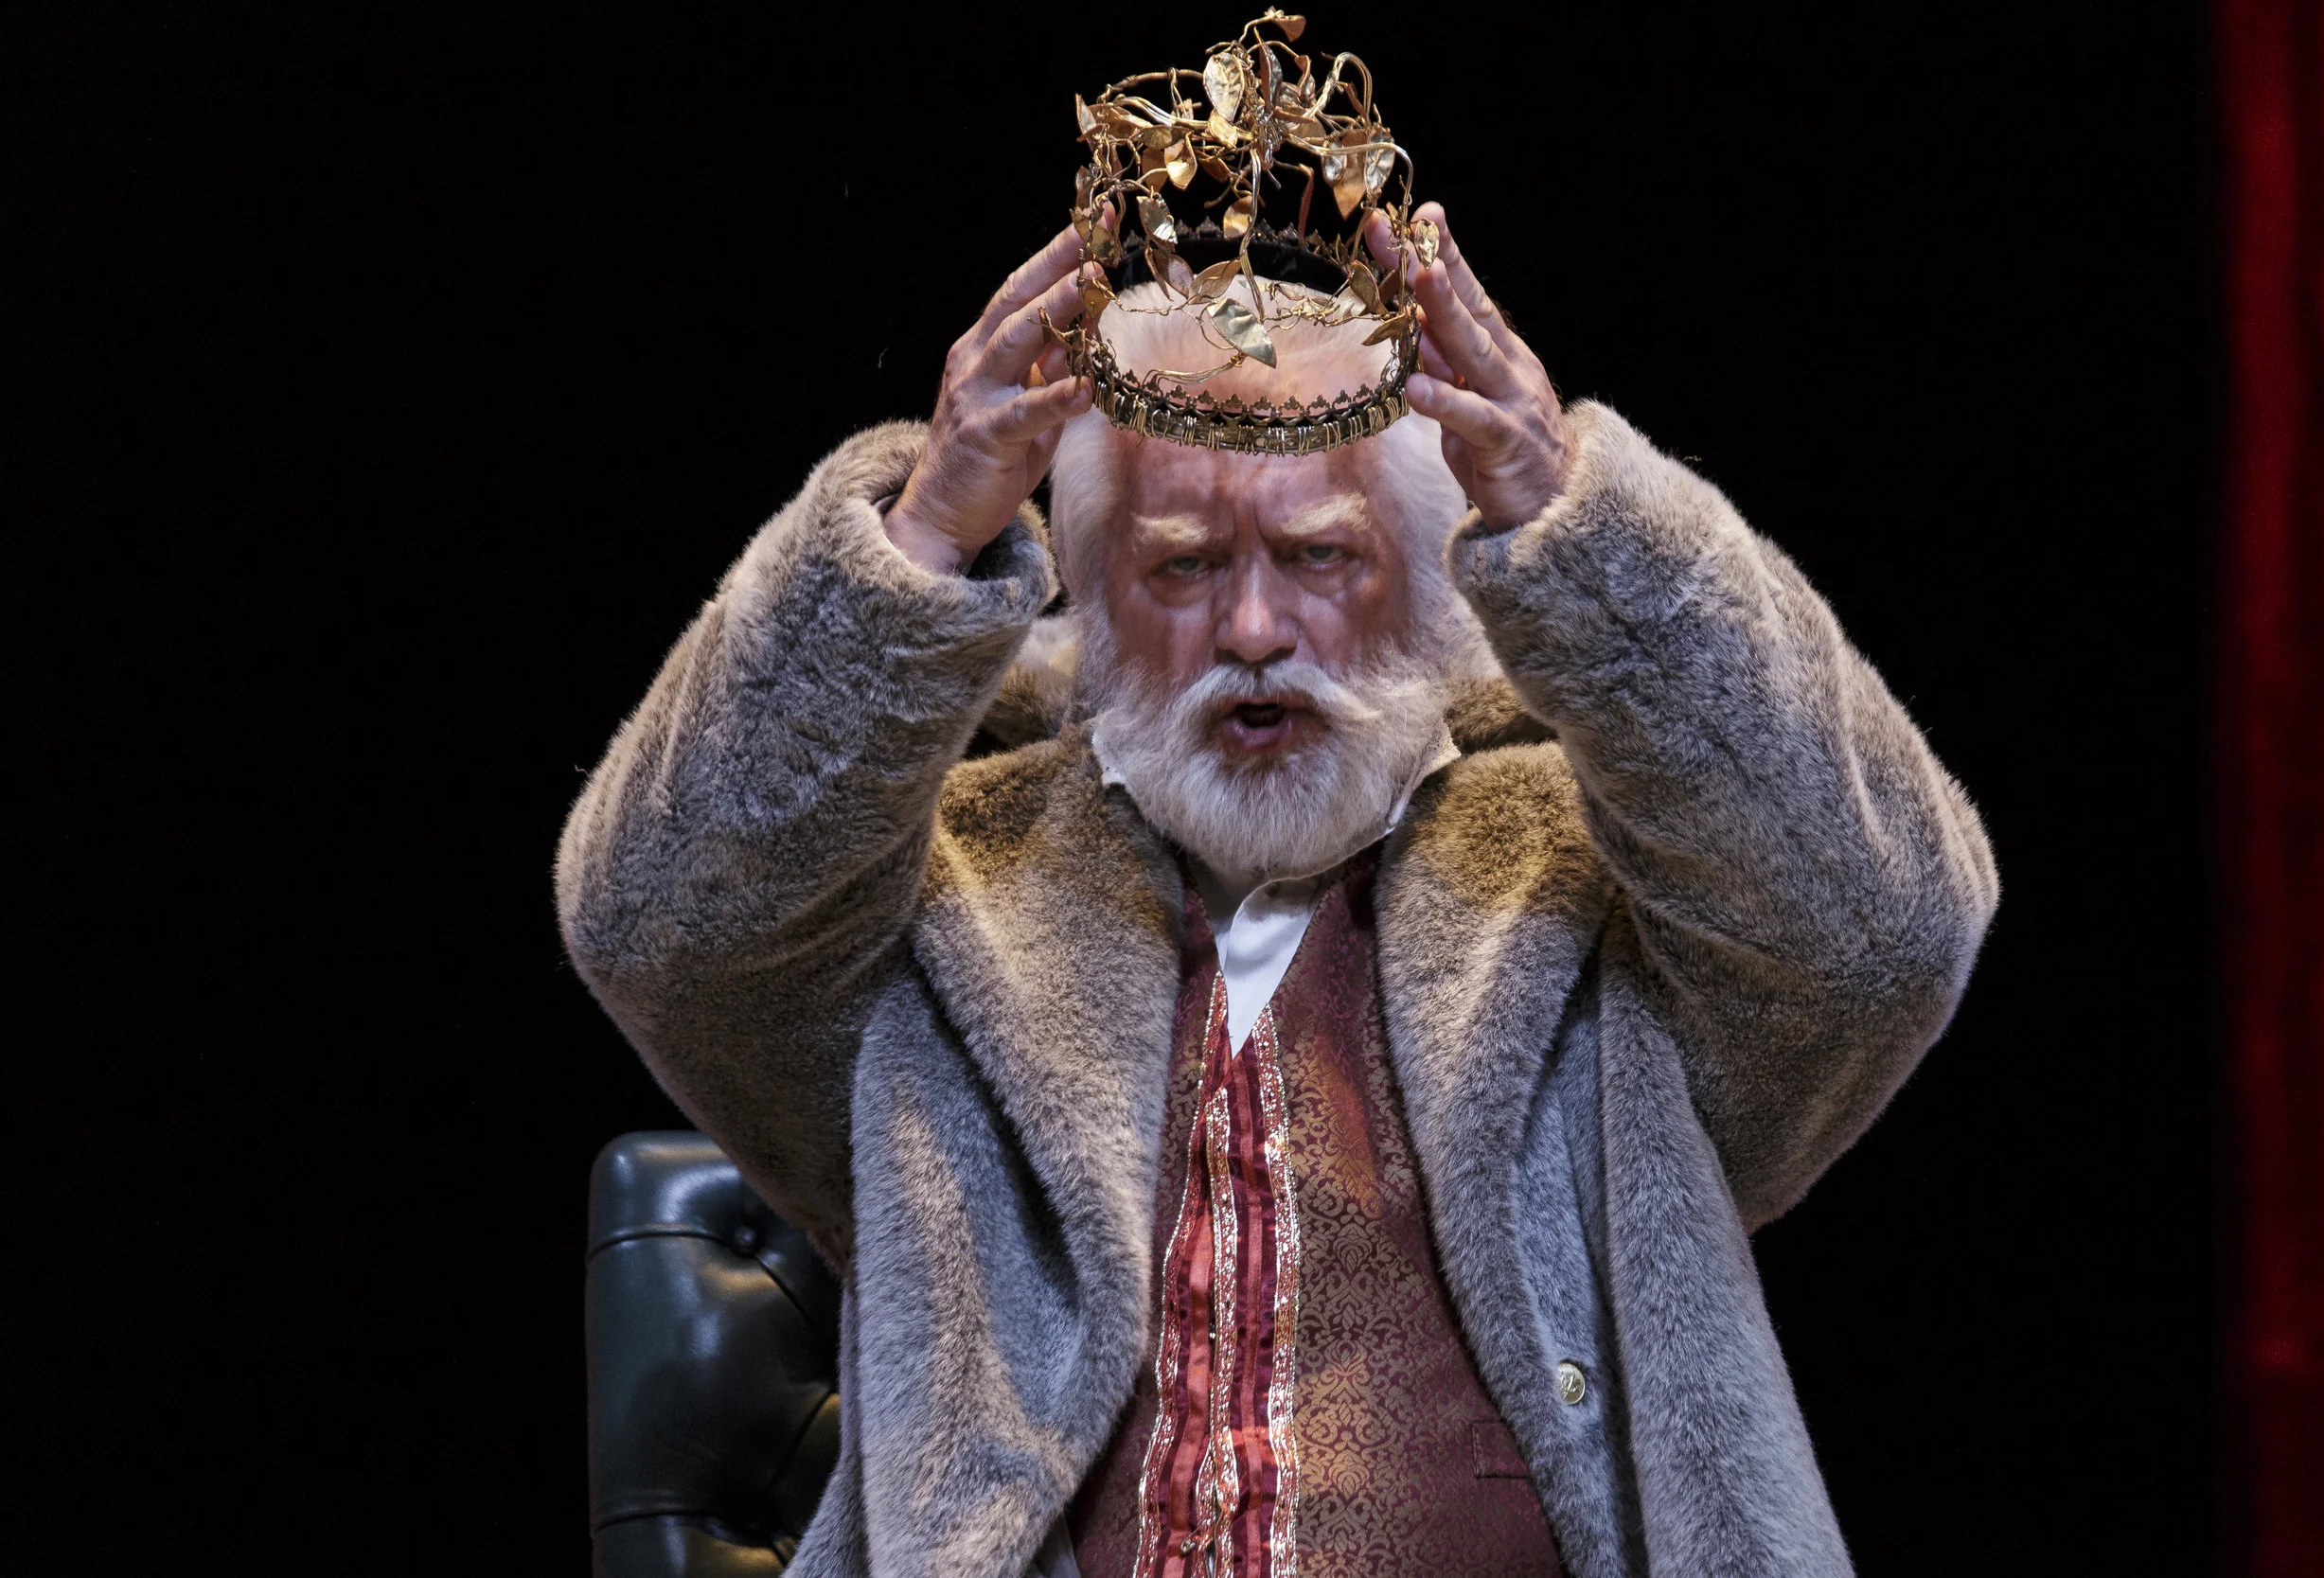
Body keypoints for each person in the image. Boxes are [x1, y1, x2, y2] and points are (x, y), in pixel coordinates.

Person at [557, 201, 1999, 1577]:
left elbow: (1882, 935)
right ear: (1088, 599)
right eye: (1185, 566)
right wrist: (920, 542)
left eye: (1320, 556)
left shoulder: (1600, 891)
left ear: (1432, 579)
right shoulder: (938, 906)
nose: (1255, 627)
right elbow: (657, 921)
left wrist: (1585, 536)